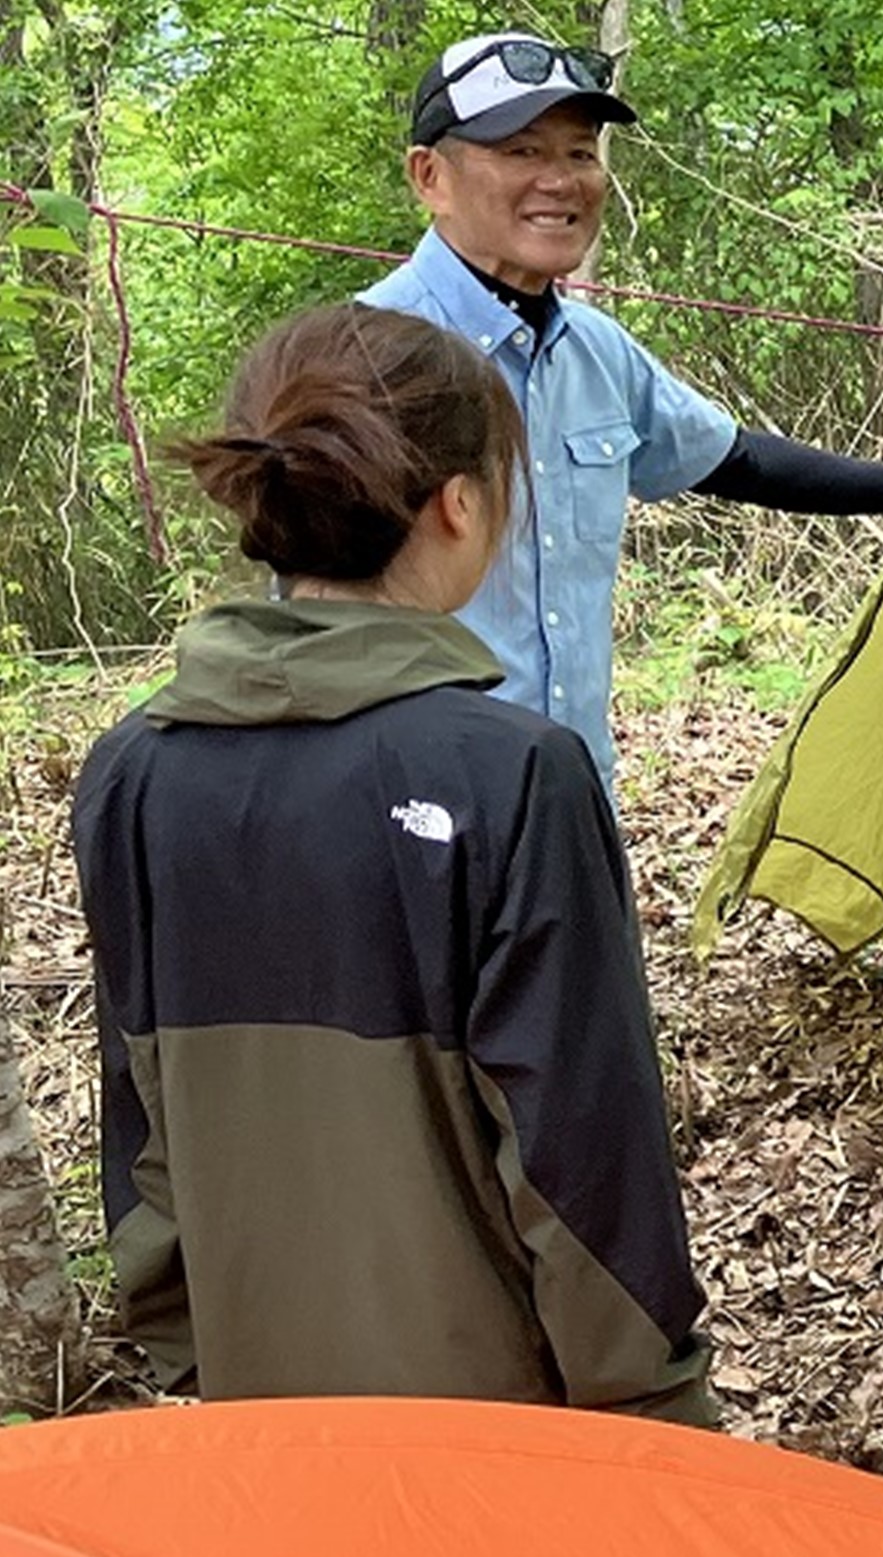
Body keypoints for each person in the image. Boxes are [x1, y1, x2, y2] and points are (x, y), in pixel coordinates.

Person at [73, 303, 717, 1427]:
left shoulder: (132, 772)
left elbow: (142, 1133)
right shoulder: (513, 775)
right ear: (462, 504)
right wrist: (658, 1411)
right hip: (500, 1438)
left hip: (259, 1413)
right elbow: (582, 1155)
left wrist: (198, 1355)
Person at [361, 30, 883, 794]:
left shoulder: (596, 353)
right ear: (429, 176)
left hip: (572, 799)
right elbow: (309, 611)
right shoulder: (363, 355)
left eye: (580, 153)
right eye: (519, 151)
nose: (560, 180)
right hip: (415, 807)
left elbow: (730, 459)